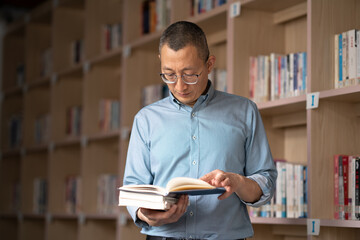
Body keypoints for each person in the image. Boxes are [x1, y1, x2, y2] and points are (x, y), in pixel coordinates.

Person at [123, 21, 277, 240]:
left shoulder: (244, 112)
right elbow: (134, 187)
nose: (179, 86)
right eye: (169, 74)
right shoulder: (146, 120)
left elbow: (266, 181)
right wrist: (145, 214)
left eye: (189, 74)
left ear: (209, 64)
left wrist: (237, 182)